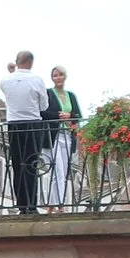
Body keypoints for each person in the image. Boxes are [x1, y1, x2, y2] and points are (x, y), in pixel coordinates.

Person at [0, 50, 47, 215]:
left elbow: (11, 88)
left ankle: (21, 204)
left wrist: (12, 72)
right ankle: (31, 204)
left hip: (14, 125)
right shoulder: (37, 80)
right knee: (32, 164)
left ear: (17, 61)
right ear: (31, 62)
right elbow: (44, 106)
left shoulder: (5, 81)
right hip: (33, 124)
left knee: (18, 164)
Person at [41, 65, 82, 209]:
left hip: (68, 136)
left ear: (64, 77)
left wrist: (70, 116)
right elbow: (43, 113)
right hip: (54, 136)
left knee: (63, 172)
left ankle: (52, 206)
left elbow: (78, 116)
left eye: (60, 75)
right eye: (55, 75)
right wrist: (59, 116)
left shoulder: (71, 95)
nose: (57, 78)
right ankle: (60, 206)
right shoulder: (48, 93)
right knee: (57, 170)